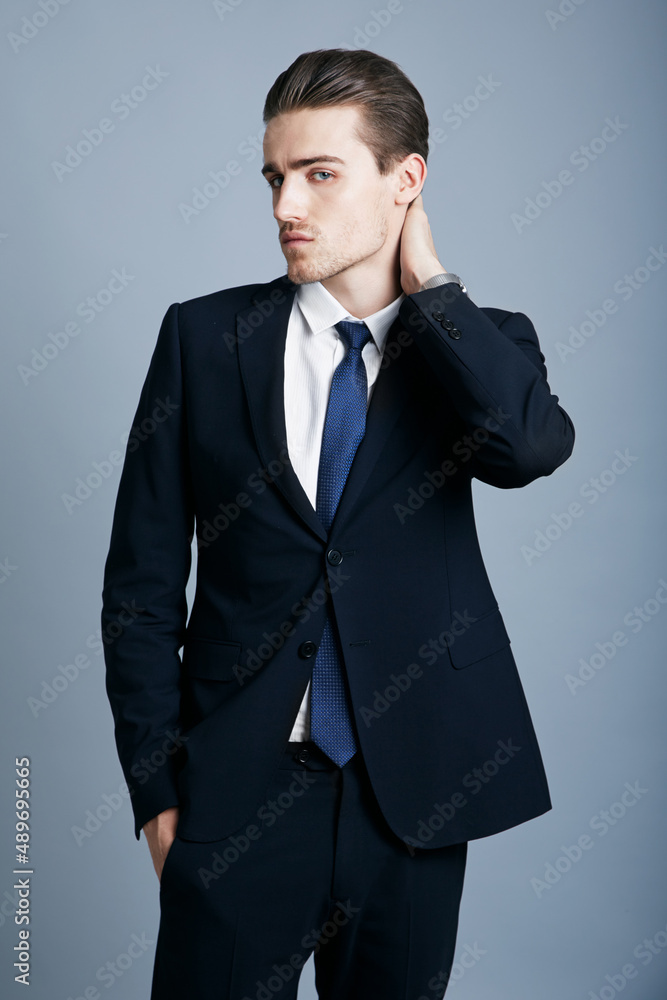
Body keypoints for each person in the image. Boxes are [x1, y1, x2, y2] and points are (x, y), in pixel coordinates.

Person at [101, 48, 575, 1000]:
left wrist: (432, 288)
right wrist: (157, 794)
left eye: (320, 175)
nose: (286, 207)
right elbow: (141, 588)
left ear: (406, 181)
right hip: (235, 797)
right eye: (276, 177)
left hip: (414, 790)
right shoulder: (202, 340)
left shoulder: (482, 344)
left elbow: (528, 450)